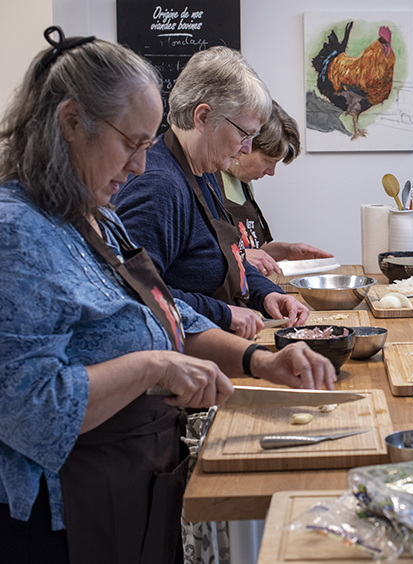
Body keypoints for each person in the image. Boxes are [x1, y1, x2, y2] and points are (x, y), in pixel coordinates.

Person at [0, 28, 336, 564]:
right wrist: (151, 366)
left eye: (147, 145)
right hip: (63, 518)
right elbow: (31, 409)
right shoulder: (16, 233)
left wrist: (261, 361)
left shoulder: (94, 215)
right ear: (71, 123)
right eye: (131, 144)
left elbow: (163, 310)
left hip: (133, 482)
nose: (140, 165)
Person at [114, 47, 307, 340]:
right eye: (244, 135)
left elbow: (230, 259)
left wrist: (267, 294)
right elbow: (135, 291)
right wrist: (223, 313)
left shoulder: (204, 170)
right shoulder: (159, 186)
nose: (247, 148)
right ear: (203, 117)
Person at [218, 100, 333, 277]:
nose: (271, 172)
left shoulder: (244, 183)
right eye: (268, 161)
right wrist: (240, 256)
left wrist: (286, 251)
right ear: (246, 145)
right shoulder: (207, 179)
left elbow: (253, 252)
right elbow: (201, 257)